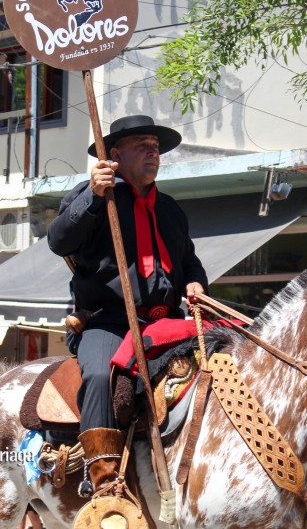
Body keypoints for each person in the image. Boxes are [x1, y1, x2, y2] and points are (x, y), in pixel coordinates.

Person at [47, 115, 208, 496]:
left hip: (168, 324)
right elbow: (58, 241)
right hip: (109, 322)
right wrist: (91, 194)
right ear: (115, 155)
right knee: (102, 377)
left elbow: (188, 262)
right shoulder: (92, 197)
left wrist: (196, 282)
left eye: (156, 146)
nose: (153, 152)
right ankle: (100, 477)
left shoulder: (170, 209)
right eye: (143, 145)